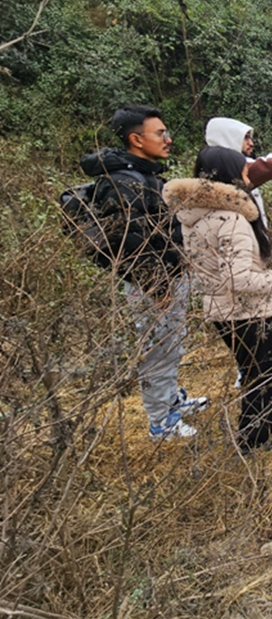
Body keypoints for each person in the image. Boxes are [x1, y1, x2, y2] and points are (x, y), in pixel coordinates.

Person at [80, 105, 206, 440]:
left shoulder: (143, 174)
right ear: (136, 139)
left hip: (168, 278)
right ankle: (160, 422)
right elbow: (130, 244)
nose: (168, 139)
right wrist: (158, 286)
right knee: (157, 351)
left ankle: (171, 400)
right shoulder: (124, 182)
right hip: (152, 285)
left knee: (171, 344)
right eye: (160, 133)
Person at [164, 147, 272, 453]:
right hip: (246, 311)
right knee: (259, 375)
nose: (249, 178)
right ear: (230, 176)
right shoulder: (231, 219)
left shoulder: (194, 217)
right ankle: (252, 440)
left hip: (221, 310)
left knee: (257, 368)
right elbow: (238, 279)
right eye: (244, 172)